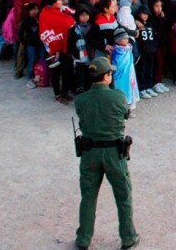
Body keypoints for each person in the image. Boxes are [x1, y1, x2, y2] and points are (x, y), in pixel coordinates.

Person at [74, 57, 140, 250]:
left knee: (88, 197)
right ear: (106, 77)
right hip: (114, 153)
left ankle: (84, 239)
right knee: (123, 195)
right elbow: (125, 114)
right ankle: (128, 237)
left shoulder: (81, 99)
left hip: (89, 153)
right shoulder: (118, 96)